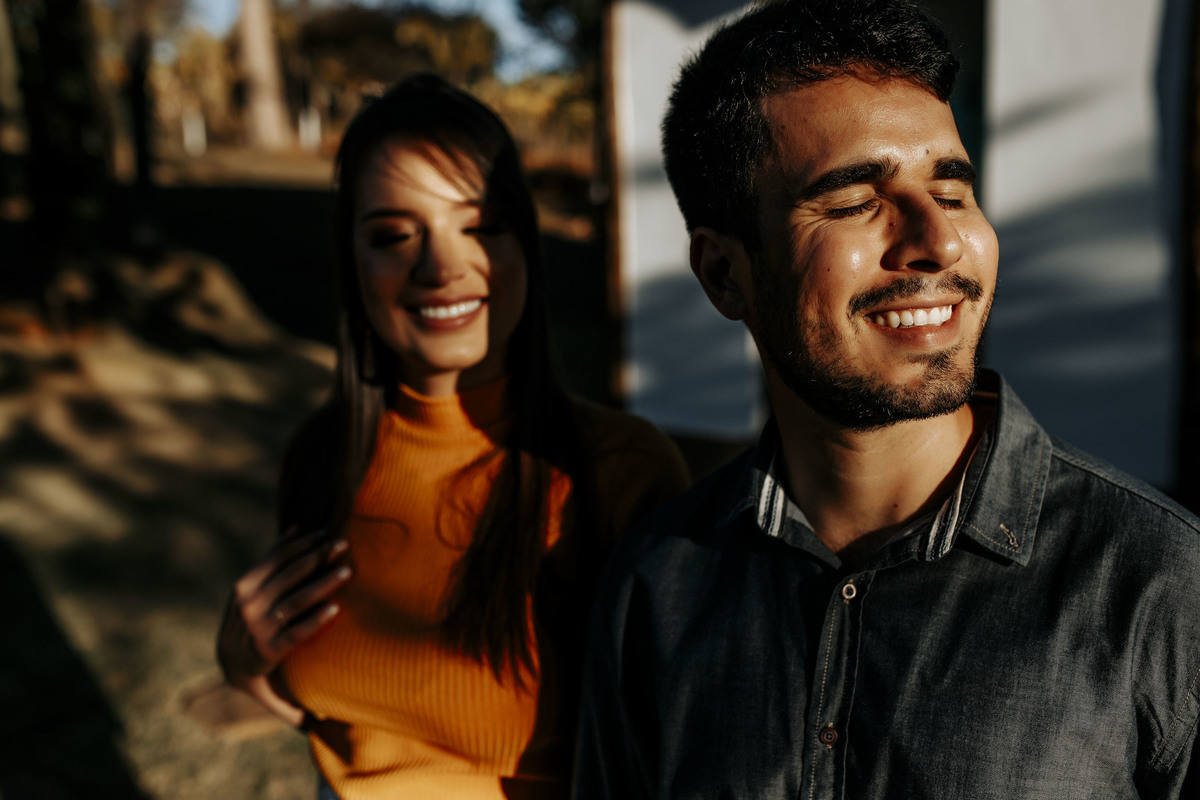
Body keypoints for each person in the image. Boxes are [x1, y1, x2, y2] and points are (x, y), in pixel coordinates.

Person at [572, 1, 1200, 797]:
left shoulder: (1161, 587)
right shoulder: (656, 591)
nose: (936, 241)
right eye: (855, 201)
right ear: (725, 273)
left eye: (953, 189)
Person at [216, 74, 689, 800]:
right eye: (393, 236)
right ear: (353, 263)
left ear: (524, 244)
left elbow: (674, 749)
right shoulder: (322, 453)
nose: (441, 267)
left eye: (481, 226)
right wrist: (247, 665)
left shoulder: (616, 472)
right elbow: (337, 726)